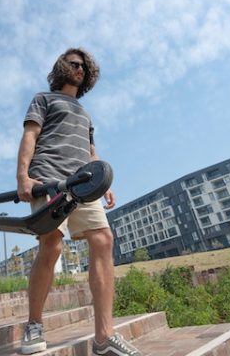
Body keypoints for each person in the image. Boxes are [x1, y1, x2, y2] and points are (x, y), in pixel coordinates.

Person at [17, 48, 141, 356]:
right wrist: (23, 177)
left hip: (84, 184)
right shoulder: (43, 99)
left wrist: (104, 182)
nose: (80, 69)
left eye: (84, 66)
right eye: (74, 64)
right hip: (48, 177)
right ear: (61, 67)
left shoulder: (85, 114)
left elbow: (91, 153)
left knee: (103, 239)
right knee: (52, 245)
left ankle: (104, 337)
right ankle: (34, 325)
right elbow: (30, 136)